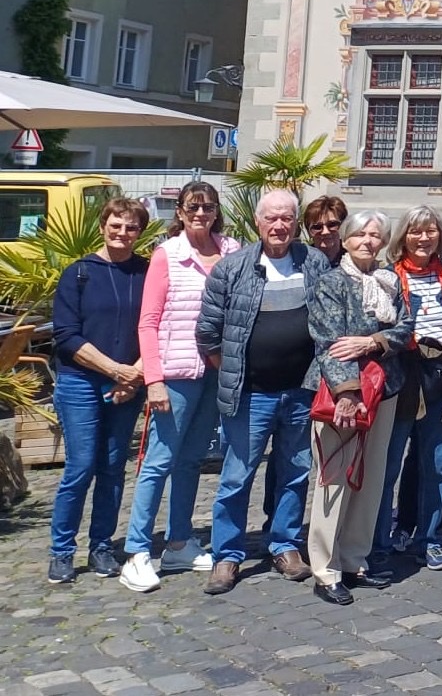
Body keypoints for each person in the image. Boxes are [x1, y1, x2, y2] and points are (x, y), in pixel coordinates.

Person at [196, 190, 332, 595]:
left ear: (295, 223)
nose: (279, 226)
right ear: (258, 222)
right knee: (237, 477)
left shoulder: (315, 262)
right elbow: (208, 332)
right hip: (249, 396)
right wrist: (236, 370)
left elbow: (328, 321)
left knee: (294, 473)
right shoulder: (233, 268)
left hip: (300, 392)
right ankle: (227, 555)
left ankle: (285, 545)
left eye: (287, 219)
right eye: (272, 218)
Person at [120, 181, 237, 592]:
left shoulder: (232, 251)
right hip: (175, 373)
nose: (201, 214)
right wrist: (152, 380)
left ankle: (179, 542)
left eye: (207, 207)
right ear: (181, 212)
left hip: (215, 372)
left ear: (216, 211)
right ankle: (136, 550)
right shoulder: (167, 255)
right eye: (193, 207)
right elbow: (148, 322)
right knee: (159, 460)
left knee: (191, 461)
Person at [304, 210, 414, 604]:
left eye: (375, 235)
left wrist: (373, 343)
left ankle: (354, 558)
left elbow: (404, 328)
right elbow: (329, 340)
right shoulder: (332, 282)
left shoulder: (389, 282)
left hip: (384, 388)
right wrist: (347, 392)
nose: (368, 241)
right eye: (360, 235)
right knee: (335, 476)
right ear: (346, 240)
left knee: (370, 478)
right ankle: (325, 567)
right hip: (342, 392)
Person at [46, 197, 150, 585]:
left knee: (111, 468)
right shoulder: (78, 273)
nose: (122, 233)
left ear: (140, 232)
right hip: (81, 382)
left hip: (129, 383)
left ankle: (102, 545)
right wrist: (115, 370)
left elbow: (156, 324)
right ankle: (62, 551)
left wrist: (134, 375)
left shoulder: (146, 272)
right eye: (116, 225)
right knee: (81, 466)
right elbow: (66, 335)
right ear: (103, 226)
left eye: (131, 227)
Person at [377, 206, 442, 574]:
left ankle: (428, 538)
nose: (424, 238)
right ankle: (381, 539)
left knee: (438, 463)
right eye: (416, 231)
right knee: (390, 464)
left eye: (430, 231)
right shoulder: (388, 277)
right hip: (404, 375)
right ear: (404, 236)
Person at [303, 195, 347, 268]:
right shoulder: (302, 260)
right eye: (317, 227)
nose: (325, 232)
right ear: (309, 232)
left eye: (332, 224)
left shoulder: (354, 258)